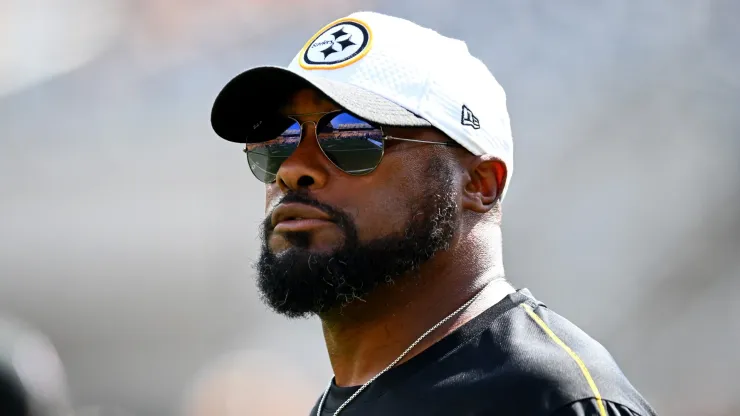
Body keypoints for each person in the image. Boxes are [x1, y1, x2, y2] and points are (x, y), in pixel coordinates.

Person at [208, 11, 658, 416]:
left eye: (352, 134)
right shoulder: (340, 401)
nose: (293, 169)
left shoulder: (552, 398)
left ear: (480, 184)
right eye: (279, 138)